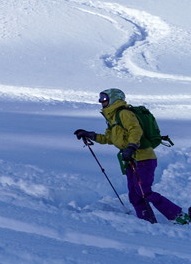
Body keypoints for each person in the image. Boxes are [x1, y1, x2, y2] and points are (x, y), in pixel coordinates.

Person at [75, 89, 188, 224]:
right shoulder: (112, 117)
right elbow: (111, 138)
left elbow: (136, 130)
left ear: (114, 99)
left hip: (143, 158)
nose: (101, 102)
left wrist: (131, 146)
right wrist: (90, 135)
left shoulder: (124, 113)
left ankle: (179, 216)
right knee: (134, 195)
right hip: (130, 159)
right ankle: (147, 222)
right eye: (100, 99)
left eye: (104, 98)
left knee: (144, 192)